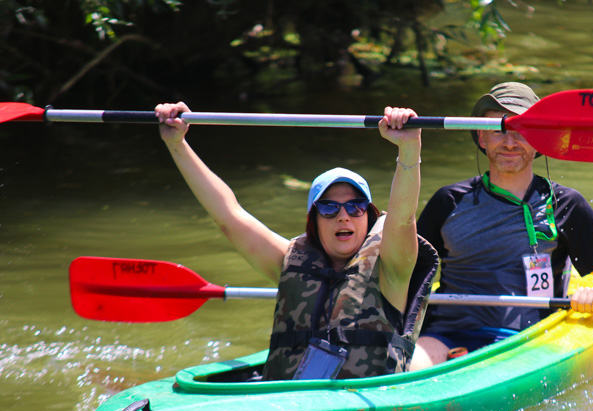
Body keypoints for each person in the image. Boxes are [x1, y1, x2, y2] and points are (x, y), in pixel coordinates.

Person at [155, 102, 439, 380]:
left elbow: (403, 218)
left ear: (369, 215)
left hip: (362, 404)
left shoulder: (392, 267)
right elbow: (229, 217)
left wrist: (409, 148)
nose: (344, 217)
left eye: (355, 207)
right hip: (286, 401)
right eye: (329, 208)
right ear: (313, 221)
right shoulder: (289, 260)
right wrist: (176, 143)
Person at [411, 82, 593, 369]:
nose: (509, 142)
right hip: (445, 335)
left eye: (522, 131)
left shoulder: (567, 205)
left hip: (526, 340)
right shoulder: (448, 202)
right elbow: (404, 272)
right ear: (482, 137)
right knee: (413, 367)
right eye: (499, 130)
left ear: (539, 139)